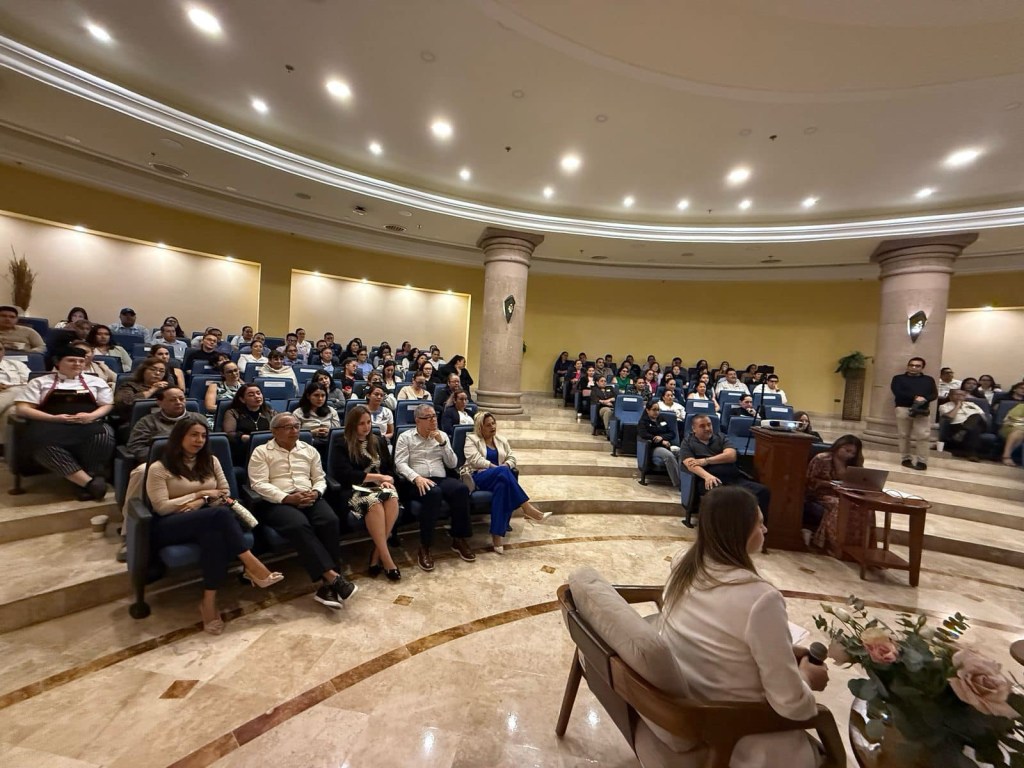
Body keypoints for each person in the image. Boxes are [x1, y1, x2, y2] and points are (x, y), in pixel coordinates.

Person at [659, 486, 828, 768]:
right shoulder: (761, 599)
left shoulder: (684, 562)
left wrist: (783, 649)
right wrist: (809, 677)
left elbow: (719, 635)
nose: (765, 529)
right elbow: (790, 705)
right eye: (759, 523)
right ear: (739, 532)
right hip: (739, 734)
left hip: (691, 700)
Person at [146, 417, 284, 633]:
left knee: (215, 536)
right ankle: (252, 564)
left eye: (203, 435)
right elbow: (162, 507)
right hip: (170, 525)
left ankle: (208, 602)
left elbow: (225, 493)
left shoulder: (211, 461)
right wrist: (201, 493)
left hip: (207, 519)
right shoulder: (159, 468)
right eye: (193, 435)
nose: (199, 440)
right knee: (219, 515)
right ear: (179, 437)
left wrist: (198, 502)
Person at [248, 413, 357, 609]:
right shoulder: (261, 452)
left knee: (330, 520)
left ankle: (328, 587)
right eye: (288, 427)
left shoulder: (309, 450)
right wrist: (286, 498)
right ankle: (333, 577)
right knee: (299, 525)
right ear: (274, 431)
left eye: (297, 426)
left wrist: (316, 492)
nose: (294, 430)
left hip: (309, 496)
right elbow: (258, 484)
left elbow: (320, 477)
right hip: (277, 502)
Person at [15, 346, 114, 500]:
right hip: (49, 423)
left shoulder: (96, 381)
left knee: (104, 434)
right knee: (40, 444)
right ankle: (89, 483)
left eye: (81, 361)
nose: (77, 364)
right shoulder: (39, 382)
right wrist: (54, 418)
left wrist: (91, 416)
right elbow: (22, 409)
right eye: (71, 360)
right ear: (58, 362)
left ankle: (91, 475)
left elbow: (107, 405)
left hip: (86, 422)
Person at [394, 403, 476, 571]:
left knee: (460, 489)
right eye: (428, 417)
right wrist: (416, 478)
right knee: (434, 493)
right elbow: (399, 464)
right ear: (418, 420)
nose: (433, 420)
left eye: (434, 416)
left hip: (440, 478)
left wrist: (443, 443)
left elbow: (453, 463)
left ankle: (458, 538)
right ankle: (425, 546)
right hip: (416, 481)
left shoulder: (442, 435)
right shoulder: (406, 437)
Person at [331, 405, 402, 580]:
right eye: (361, 423)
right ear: (352, 425)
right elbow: (345, 475)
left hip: (379, 488)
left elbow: (389, 470)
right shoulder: (342, 443)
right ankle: (387, 560)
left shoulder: (378, 441)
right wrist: (379, 477)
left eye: (369, 422)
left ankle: (376, 555)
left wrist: (387, 480)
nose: (366, 426)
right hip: (353, 489)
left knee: (392, 497)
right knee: (374, 502)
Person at [464, 410, 549, 554]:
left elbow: (512, 457)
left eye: (494, 423)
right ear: (480, 427)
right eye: (488, 425)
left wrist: (506, 466)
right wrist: (497, 468)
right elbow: (475, 460)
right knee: (503, 472)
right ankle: (527, 508)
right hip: (478, 477)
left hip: (498, 477)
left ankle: (497, 537)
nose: (493, 427)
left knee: (502, 486)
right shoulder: (471, 439)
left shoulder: (501, 440)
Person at [679, 414, 770, 531]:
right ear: (694, 429)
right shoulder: (687, 443)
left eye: (709, 424)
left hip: (733, 478)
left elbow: (731, 456)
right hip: (710, 480)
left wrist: (706, 461)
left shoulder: (721, 437)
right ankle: (728, 531)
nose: (707, 428)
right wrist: (707, 476)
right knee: (726, 496)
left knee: (763, 491)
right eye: (702, 426)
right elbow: (690, 464)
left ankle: (757, 528)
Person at [806, 435, 867, 555]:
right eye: (847, 450)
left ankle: (857, 546)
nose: (849, 455)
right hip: (822, 494)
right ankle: (834, 544)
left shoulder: (854, 464)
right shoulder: (822, 459)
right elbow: (810, 481)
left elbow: (860, 481)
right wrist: (830, 484)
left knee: (864, 506)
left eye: (853, 453)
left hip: (845, 494)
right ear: (838, 446)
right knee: (840, 505)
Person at [891, 356, 937, 471]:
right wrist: (916, 397)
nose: (914, 367)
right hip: (903, 408)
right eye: (911, 365)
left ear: (922, 368)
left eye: (917, 366)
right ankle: (905, 458)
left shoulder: (929, 379)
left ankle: (922, 461)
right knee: (904, 435)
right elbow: (897, 392)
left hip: (922, 410)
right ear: (908, 366)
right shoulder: (898, 378)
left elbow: (934, 394)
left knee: (923, 436)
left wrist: (924, 399)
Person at [126, 386, 190, 462]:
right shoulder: (147, 422)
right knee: (142, 471)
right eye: (172, 400)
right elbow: (135, 446)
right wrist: (163, 457)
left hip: (194, 460)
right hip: (160, 462)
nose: (178, 402)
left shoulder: (198, 418)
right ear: (160, 403)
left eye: (182, 399)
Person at [223, 384, 277, 465]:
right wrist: (243, 437)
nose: (257, 396)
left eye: (258, 393)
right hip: (244, 451)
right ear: (242, 399)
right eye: (251, 395)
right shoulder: (233, 413)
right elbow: (229, 434)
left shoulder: (270, 413)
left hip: (269, 449)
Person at [638, 399, 681, 487]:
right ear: (647, 410)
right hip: (654, 448)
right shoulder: (643, 422)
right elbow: (644, 435)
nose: (656, 412)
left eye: (658, 410)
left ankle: (686, 479)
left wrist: (662, 437)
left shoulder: (661, 419)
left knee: (683, 453)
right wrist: (660, 441)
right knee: (669, 456)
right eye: (654, 410)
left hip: (667, 445)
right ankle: (678, 483)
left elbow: (672, 433)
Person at [938, 388, 989, 462]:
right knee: (975, 429)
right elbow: (950, 417)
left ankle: (963, 431)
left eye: (962, 395)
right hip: (957, 426)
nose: (959, 396)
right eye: (957, 394)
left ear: (965, 397)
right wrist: (958, 405)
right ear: (950, 396)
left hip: (979, 423)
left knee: (976, 416)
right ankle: (972, 454)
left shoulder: (972, 404)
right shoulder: (944, 406)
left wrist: (971, 420)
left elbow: (983, 416)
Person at [113, 357, 169, 422]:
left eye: (162, 371)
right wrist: (152, 390)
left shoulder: (168, 388)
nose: (157, 373)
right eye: (153, 369)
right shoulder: (129, 385)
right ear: (143, 371)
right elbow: (125, 402)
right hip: (134, 422)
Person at [292, 382, 340, 455]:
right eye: (316, 395)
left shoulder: (332, 411)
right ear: (308, 396)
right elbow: (294, 433)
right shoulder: (298, 413)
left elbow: (337, 432)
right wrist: (312, 432)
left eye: (323, 395)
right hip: (306, 446)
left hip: (329, 445)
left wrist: (328, 432)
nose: (320, 399)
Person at [0, 340, 31, 447]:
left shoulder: (17, 365)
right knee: (13, 408)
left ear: (4, 351)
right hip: (11, 399)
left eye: (0, 349)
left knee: (17, 394)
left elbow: (30, 383)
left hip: (17, 396)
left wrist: (10, 387)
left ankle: (2, 446)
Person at [999, 401, 1024, 467]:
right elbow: (1012, 418)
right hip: (1011, 427)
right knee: (1020, 431)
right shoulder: (1021, 406)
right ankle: (1006, 456)